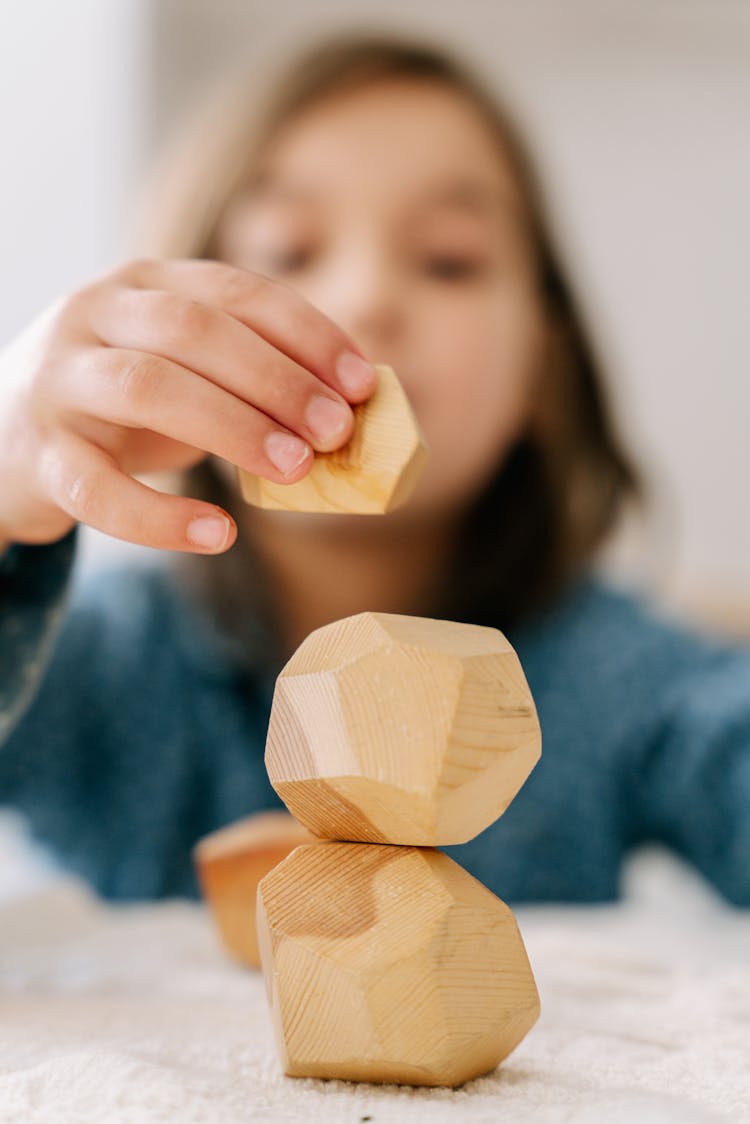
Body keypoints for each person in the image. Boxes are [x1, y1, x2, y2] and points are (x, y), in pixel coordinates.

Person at [0, 34, 748, 904]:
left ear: (541, 374)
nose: (365, 299)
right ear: (170, 344)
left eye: (448, 260)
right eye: (288, 249)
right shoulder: (92, 661)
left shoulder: (614, 675)